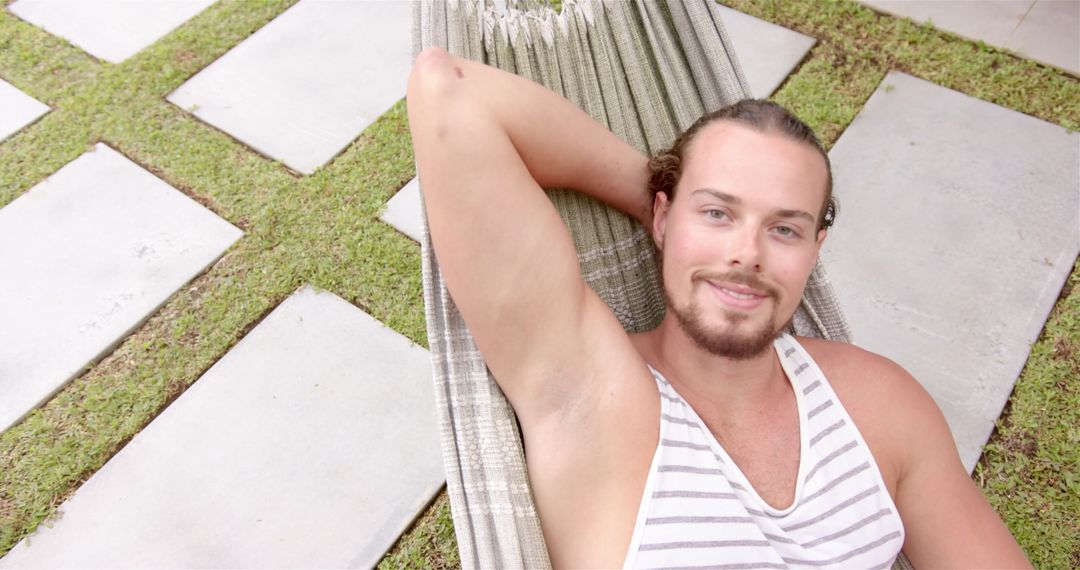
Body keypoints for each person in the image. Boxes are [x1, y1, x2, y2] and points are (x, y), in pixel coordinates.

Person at [406, 47, 1030, 569]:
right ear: (660, 215)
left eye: (784, 230)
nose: (746, 254)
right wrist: (666, 207)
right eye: (718, 213)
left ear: (816, 252)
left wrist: (693, 222)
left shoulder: (881, 404)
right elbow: (449, 93)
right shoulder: (595, 403)